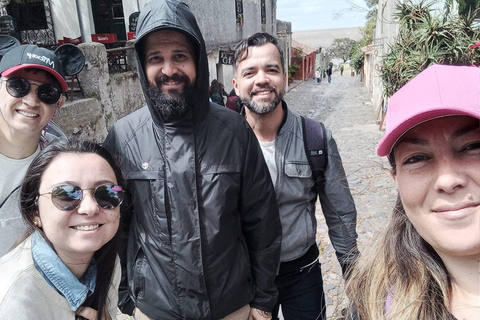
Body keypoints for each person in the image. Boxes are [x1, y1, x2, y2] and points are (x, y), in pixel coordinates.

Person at [103, 1, 282, 319]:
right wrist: (127, 299)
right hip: (155, 309)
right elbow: (118, 226)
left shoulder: (234, 131)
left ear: (198, 61)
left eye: (179, 57)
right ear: (143, 67)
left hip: (230, 307)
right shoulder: (123, 138)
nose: (169, 70)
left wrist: (264, 301)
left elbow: (262, 221)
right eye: (156, 58)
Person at [232, 32, 359, 320]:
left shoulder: (314, 137)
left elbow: (340, 212)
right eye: (250, 72)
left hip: (301, 272)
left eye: (271, 69)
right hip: (243, 279)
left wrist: (352, 270)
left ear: (284, 77)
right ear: (236, 84)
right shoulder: (221, 143)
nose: (261, 79)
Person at [346, 64, 480, 320]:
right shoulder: (371, 305)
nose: (448, 179)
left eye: (473, 146)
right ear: (395, 178)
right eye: (417, 158)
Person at [0, 139, 125, 319]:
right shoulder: (12, 303)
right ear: (35, 211)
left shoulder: (106, 260)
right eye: (66, 194)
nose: (89, 208)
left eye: (106, 193)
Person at [0, 44, 68, 256]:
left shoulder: (63, 170)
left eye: (47, 92)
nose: (31, 101)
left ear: (60, 103)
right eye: (18, 86)